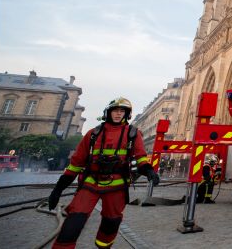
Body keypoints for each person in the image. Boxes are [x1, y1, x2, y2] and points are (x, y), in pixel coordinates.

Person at [47, 97, 160, 248]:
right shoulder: (93, 134)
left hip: (117, 187)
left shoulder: (133, 134)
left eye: (122, 111)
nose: (118, 114)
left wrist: (149, 171)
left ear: (127, 114)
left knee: (111, 222)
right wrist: (58, 189)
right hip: (90, 183)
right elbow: (76, 164)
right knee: (74, 221)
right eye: (115, 110)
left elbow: (140, 158)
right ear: (108, 112)